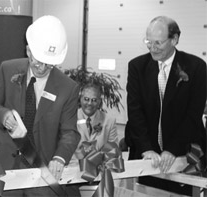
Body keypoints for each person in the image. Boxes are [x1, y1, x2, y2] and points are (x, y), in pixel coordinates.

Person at [0, 15, 81, 196]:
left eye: (49, 64)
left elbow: (70, 132)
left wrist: (60, 158)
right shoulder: (7, 69)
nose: (42, 68)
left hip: (42, 168)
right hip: (6, 164)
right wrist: (3, 116)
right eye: (37, 60)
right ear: (28, 50)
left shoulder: (68, 88)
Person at [125, 15, 207, 195]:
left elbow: (193, 115)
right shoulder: (137, 67)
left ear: (174, 39)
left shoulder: (196, 67)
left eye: (158, 43)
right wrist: (147, 148)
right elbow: (135, 111)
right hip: (148, 156)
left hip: (184, 154)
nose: (152, 48)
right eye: (148, 41)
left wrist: (171, 150)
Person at [71, 83, 119, 163]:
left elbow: (113, 150)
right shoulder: (70, 118)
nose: (89, 103)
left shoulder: (109, 121)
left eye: (94, 100)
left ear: (99, 102)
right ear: (80, 99)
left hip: (98, 168)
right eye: (86, 99)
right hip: (73, 167)